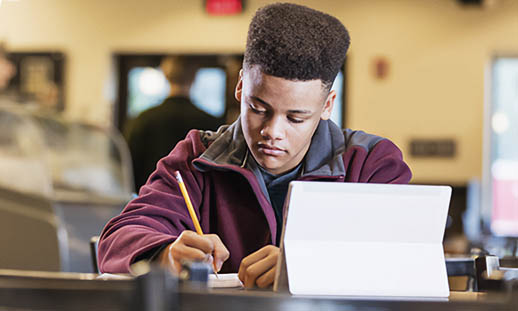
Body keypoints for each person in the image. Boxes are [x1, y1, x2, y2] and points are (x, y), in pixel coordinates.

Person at [98, 3, 412, 289]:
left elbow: (407, 262)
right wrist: (164, 253)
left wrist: (308, 267)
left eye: (296, 117)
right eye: (258, 108)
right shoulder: (196, 158)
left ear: (328, 104)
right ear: (239, 87)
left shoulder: (370, 165)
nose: (272, 131)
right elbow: (117, 239)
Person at [125, 56, 222, 190]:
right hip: (196, 204)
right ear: (194, 78)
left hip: (151, 199)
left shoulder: (144, 119)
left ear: (165, 76)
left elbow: (128, 168)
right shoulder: (212, 123)